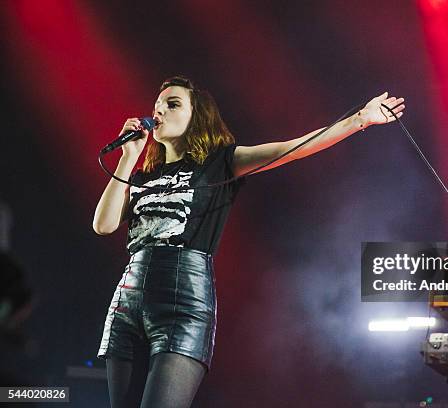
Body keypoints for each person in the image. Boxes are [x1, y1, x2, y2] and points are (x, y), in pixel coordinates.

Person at [93, 75, 404, 407]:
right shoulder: (141, 176)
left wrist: (359, 120)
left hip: (182, 302)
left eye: (173, 104)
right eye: (157, 106)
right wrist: (129, 158)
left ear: (196, 116)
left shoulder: (220, 163)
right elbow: (103, 224)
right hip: (128, 304)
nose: (160, 113)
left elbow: (291, 149)